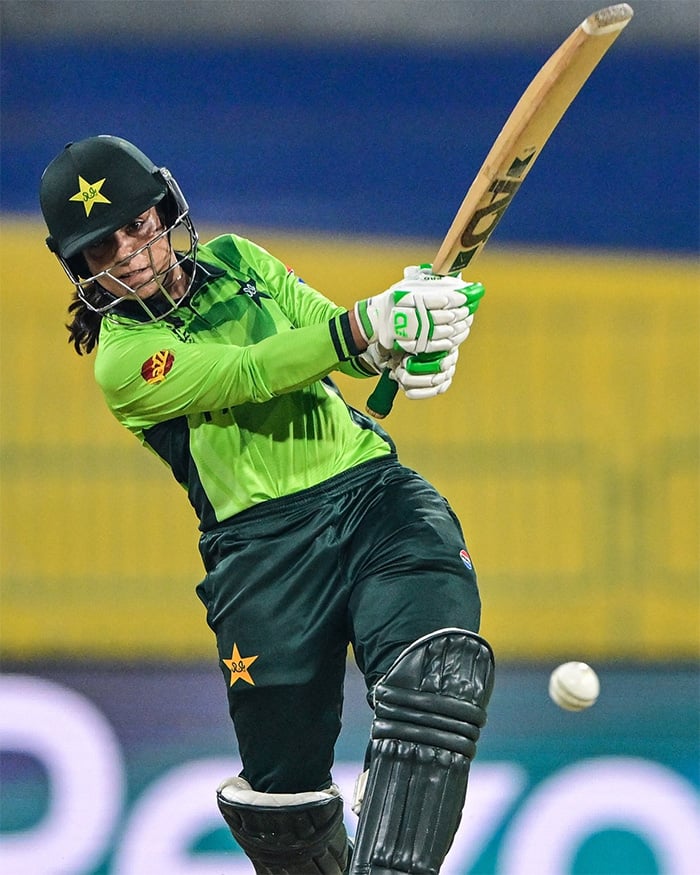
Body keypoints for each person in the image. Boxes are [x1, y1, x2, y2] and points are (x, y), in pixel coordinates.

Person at [39, 135, 495, 875]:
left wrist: (407, 334)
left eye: (136, 222)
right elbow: (248, 372)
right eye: (101, 245)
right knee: (284, 813)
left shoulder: (240, 261)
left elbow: (339, 342)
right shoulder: (123, 361)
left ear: (164, 207)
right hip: (263, 559)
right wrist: (365, 326)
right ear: (82, 267)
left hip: (372, 498)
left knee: (434, 678)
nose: (126, 249)